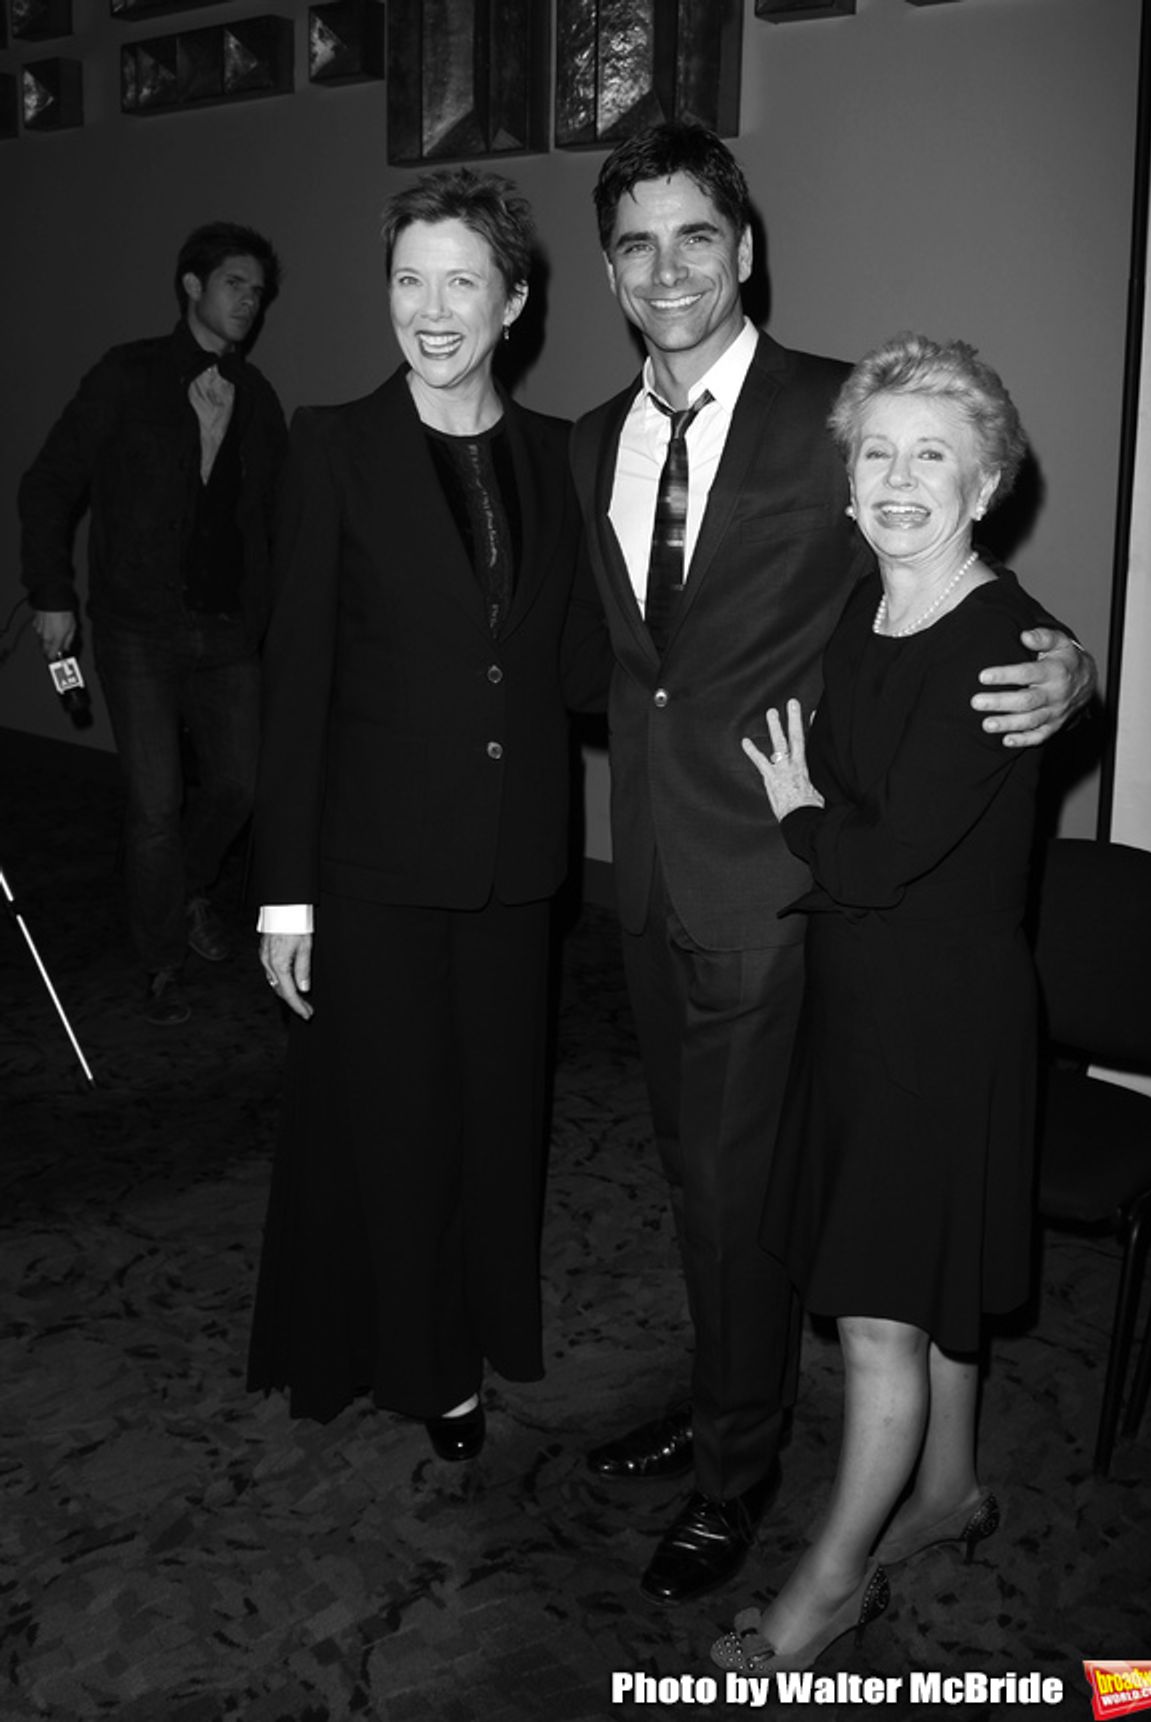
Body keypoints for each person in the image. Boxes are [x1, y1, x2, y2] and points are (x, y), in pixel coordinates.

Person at [569, 121, 1094, 1605]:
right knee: (700, 1181)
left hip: (789, 884)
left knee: (746, 1190)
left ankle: (740, 1472)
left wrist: (1075, 664)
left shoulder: (834, 416)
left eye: (697, 237)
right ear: (610, 270)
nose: (667, 268)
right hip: (649, 876)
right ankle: (730, 1383)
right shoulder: (586, 438)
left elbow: (952, 561)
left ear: (747, 252)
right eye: (636, 243)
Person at [247, 169, 610, 1460]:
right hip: (377, 864)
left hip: (515, 864)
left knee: (496, 1117)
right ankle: (425, 1361)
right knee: (398, 1120)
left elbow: (576, 665)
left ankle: (484, 1319)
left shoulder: (559, 452)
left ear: (512, 300)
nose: (432, 307)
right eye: (410, 278)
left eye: (462, 279)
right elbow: (296, 679)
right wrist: (285, 888)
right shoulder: (333, 441)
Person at [712, 333, 1046, 1672]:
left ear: (987, 485)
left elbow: (875, 848)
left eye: (935, 457)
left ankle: (827, 1586)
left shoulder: (1003, 647)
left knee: (880, 1313)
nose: (901, 477)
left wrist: (799, 815)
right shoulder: (869, 608)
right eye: (879, 453)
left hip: (936, 1023)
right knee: (937, 1269)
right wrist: (824, 811)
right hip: (869, 998)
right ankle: (950, 1490)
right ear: (850, 482)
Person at [19, 222, 287, 1027]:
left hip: (228, 631)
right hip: (138, 628)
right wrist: (51, 594)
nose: (251, 301)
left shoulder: (259, 396)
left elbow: (276, 519)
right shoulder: (128, 375)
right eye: (237, 283)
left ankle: (186, 889)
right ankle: (159, 950)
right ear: (191, 286)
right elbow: (48, 484)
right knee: (154, 805)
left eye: (259, 291)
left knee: (240, 784)